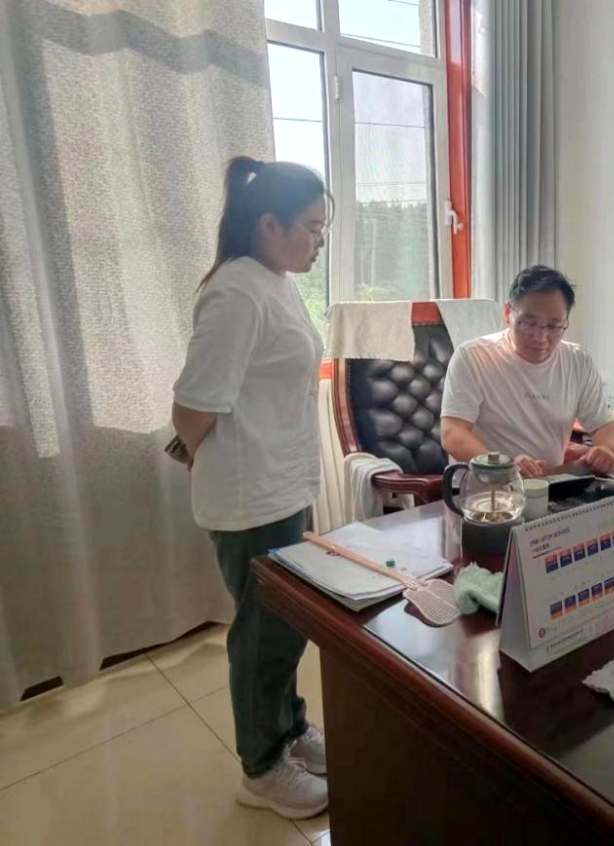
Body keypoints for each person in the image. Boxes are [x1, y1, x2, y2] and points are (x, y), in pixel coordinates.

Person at [172, 157, 330, 820]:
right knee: (264, 635)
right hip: (251, 496)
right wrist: (212, 460)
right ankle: (261, 769)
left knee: (286, 627)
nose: (320, 240)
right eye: (312, 228)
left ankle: (289, 727)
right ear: (269, 225)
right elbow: (192, 408)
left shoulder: (276, 280)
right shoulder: (237, 291)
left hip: (282, 485)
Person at [441, 265, 614, 477]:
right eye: (529, 323)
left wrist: (607, 450)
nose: (540, 337)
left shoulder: (577, 360)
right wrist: (504, 466)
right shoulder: (473, 357)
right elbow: (452, 433)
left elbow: (605, 426)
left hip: (552, 484)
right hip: (487, 488)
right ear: (508, 313)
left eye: (554, 326)